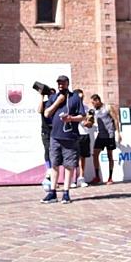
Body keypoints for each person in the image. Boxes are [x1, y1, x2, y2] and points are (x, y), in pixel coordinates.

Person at [41, 75, 84, 204]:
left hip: (70, 137)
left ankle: (66, 193)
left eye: (63, 83)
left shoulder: (75, 98)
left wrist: (70, 118)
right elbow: (46, 113)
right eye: (59, 83)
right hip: (55, 136)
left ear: (67, 83)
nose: (60, 85)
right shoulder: (54, 97)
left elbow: (82, 116)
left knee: (69, 165)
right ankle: (52, 193)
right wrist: (58, 102)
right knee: (54, 164)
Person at [90, 93, 121, 185]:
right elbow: (91, 121)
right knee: (95, 154)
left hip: (109, 134)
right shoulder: (94, 111)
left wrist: (118, 133)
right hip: (101, 135)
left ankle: (110, 178)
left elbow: (115, 119)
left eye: (93, 103)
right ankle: (97, 177)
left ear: (97, 101)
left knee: (109, 156)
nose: (93, 105)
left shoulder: (108, 107)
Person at [74, 89, 93, 188]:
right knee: (73, 157)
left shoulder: (87, 108)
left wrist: (88, 122)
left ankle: (81, 178)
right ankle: (73, 179)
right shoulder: (71, 108)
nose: (81, 99)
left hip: (84, 135)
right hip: (74, 135)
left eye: (82, 97)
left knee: (82, 157)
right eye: (79, 98)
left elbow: (90, 123)